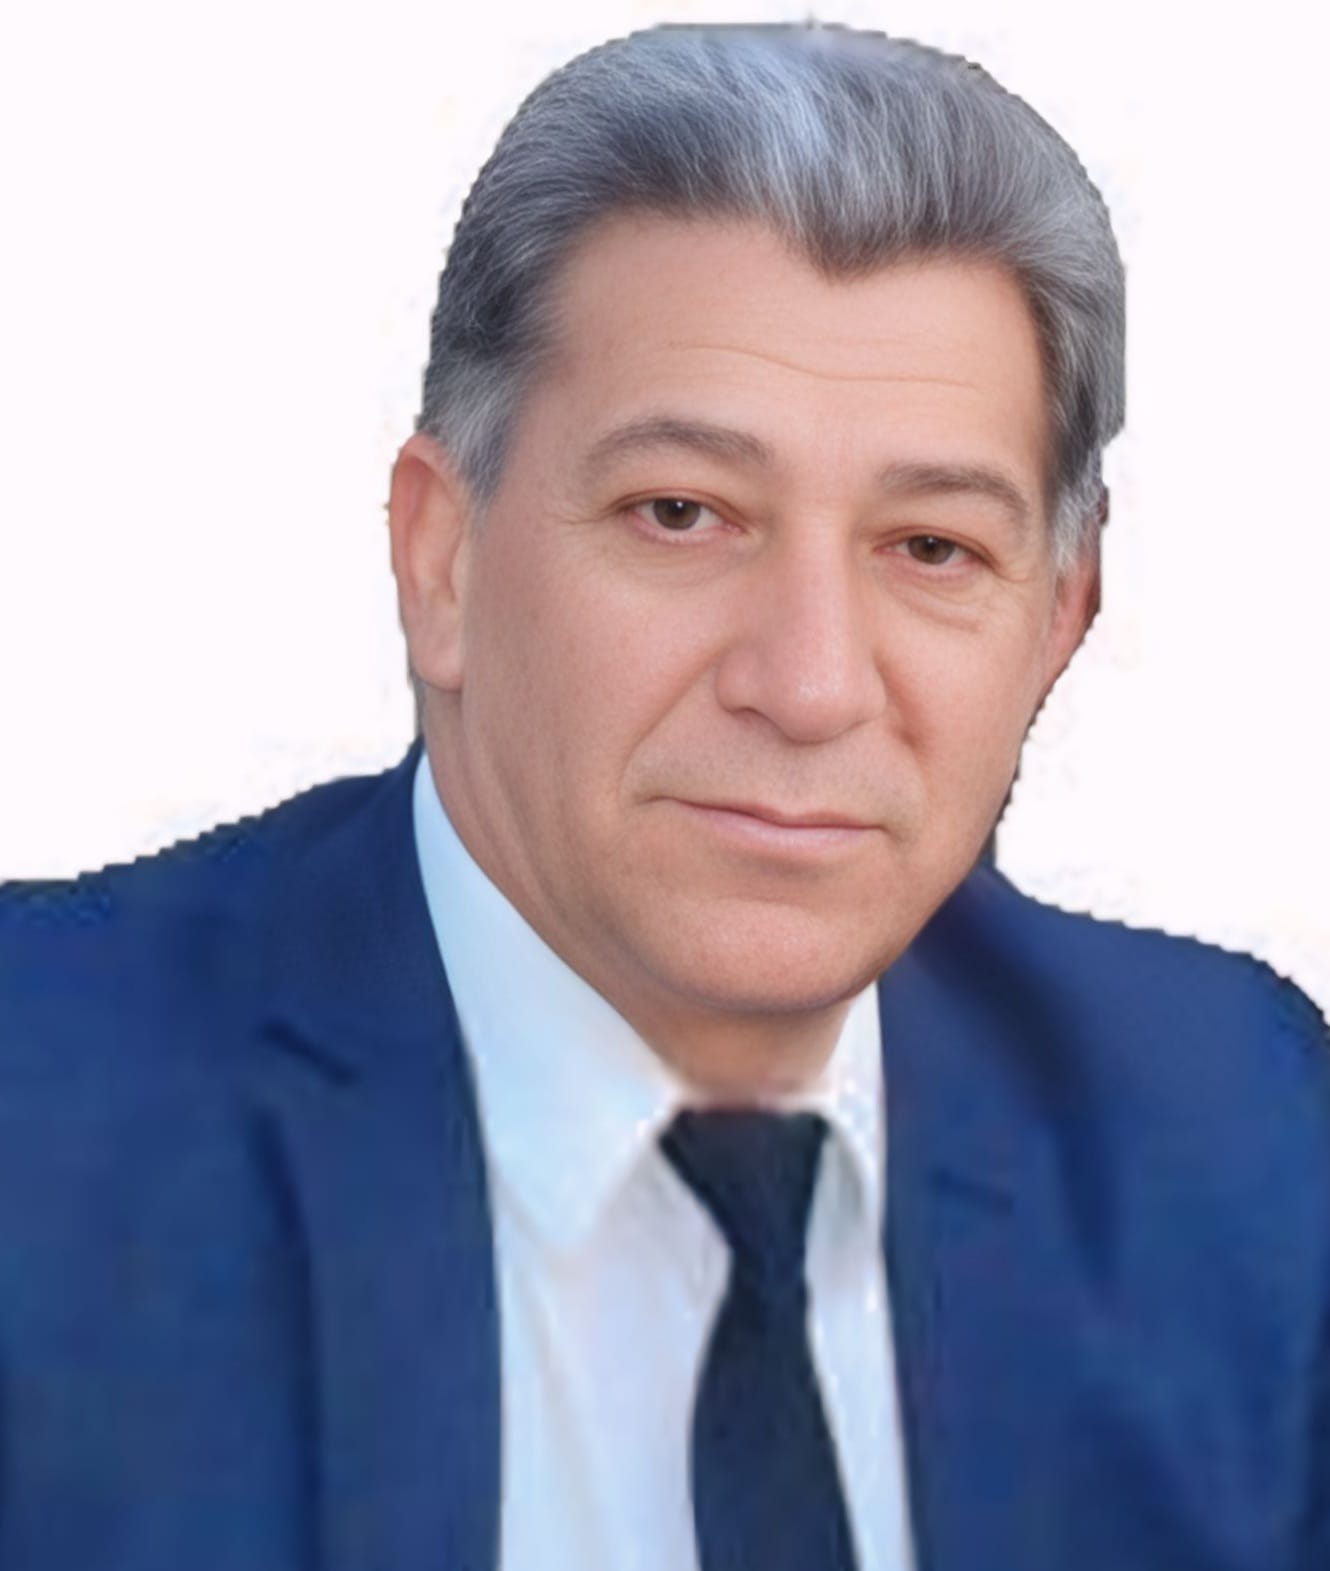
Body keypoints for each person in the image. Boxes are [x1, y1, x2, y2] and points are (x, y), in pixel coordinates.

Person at [1, 20, 1327, 1571]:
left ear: (1057, 620)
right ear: (442, 560)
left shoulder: (1234, 1131)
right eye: (682, 514)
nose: (810, 683)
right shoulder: (39, 1113)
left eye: (931, 548)